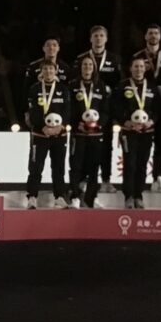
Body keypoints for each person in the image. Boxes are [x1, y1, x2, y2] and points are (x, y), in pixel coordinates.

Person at [72, 25, 122, 193]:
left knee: (106, 146)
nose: (98, 38)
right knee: (83, 150)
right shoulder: (81, 59)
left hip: (104, 109)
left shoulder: (114, 59)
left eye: (101, 35)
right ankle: (82, 181)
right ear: (90, 39)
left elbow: (119, 84)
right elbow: (75, 82)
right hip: (84, 111)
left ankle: (106, 179)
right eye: (95, 36)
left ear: (106, 39)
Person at [132, 24, 161, 194]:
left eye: (156, 33)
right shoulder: (137, 57)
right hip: (143, 108)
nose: (153, 36)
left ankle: (158, 177)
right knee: (141, 146)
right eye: (150, 33)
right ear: (145, 36)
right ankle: (137, 181)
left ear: (160, 36)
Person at [113, 57, 160, 209]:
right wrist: (126, 122)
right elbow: (116, 107)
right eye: (136, 66)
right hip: (129, 132)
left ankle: (139, 196)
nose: (138, 69)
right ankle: (128, 196)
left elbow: (158, 109)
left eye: (141, 66)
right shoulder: (122, 86)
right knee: (130, 163)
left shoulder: (152, 87)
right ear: (130, 68)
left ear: (145, 69)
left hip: (147, 131)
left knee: (142, 163)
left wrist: (151, 121)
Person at [24, 60, 72, 209]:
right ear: (41, 71)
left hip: (59, 135)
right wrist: (42, 126)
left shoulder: (63, 89)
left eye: (51, 69)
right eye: (45, 69)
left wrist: (61, 127)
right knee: (35, 167)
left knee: (58, 167)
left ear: (56, 70)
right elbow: (32, 111)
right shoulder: (34, 89)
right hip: (40, 135)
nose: (48, 72)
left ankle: (59, 197)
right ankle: (32, 197)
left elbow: (67, 110)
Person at [67, 55, 111, 209]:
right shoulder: (72, 86)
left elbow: (106, 110)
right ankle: (74, 197)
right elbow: (69, 109)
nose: (87, 68)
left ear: (94, 68)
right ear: (80, 68)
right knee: (76, 166)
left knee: (94, 167)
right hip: (78, 134)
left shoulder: (100, 86)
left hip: (95, 134)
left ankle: (91, 198)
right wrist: (76, 124)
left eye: (90, 65)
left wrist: (99, 124)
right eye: (84, 65)